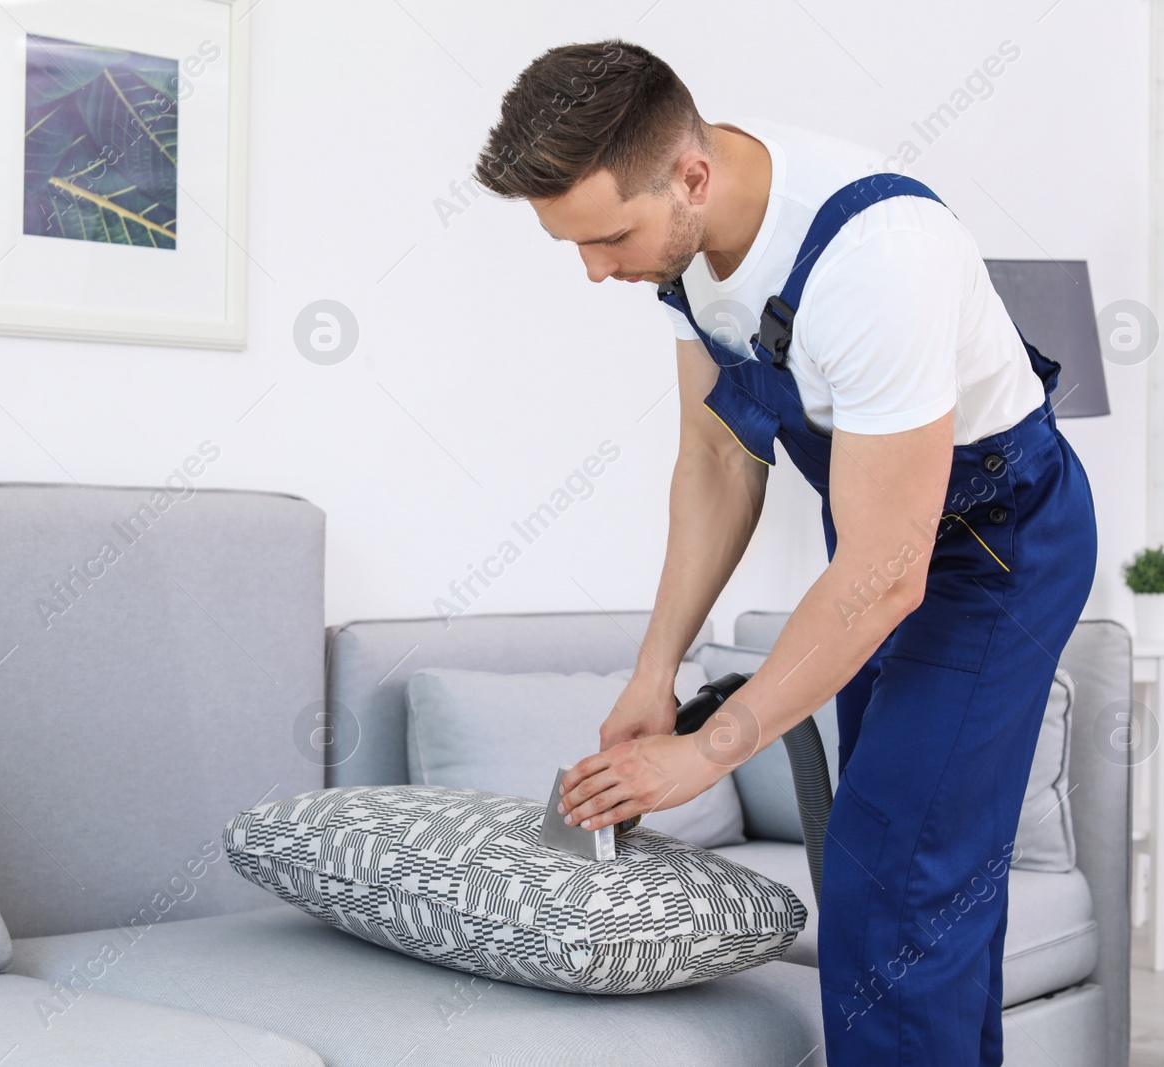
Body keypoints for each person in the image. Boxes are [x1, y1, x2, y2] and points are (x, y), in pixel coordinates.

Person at [471, 38, 1099, 1066]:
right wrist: (655, 672)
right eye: (571, 245)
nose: (594, 271)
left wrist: (708, 753)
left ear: (691, 174)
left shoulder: (876, 256)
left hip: (997, 540)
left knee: (892, 863)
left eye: (609, 237)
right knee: (919, 857)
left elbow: (888, 574)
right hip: (879, 531)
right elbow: (717, 459)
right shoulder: (686, 246)